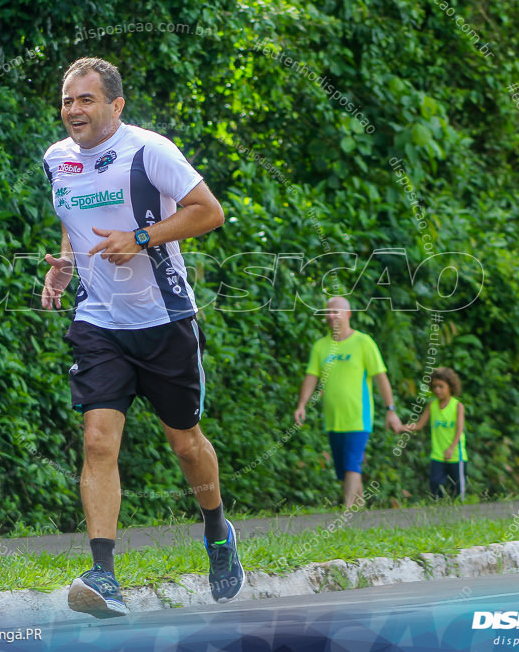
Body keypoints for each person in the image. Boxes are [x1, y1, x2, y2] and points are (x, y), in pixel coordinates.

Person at [39, 57, 243, 618]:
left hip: (165, 320)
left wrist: (143, 237)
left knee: (186, 444)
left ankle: (217, 530)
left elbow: (210, 212)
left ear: (115, 105)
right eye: (66, 100)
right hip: (99, 321)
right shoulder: (58, 159)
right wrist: (66, 262)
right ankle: (103, 576)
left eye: (85, 99)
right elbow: (73, 214)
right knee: (99, 441)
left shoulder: (150, 150)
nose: (73, 110)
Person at [293, 297, 402, 508]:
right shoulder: (321, 346)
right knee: (345, 469)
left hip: (358, 418)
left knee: (353, 464)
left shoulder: (363, 342)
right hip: (333, 420)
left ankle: (347, 513)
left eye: (336, 312)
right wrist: (301, 405)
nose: (331, 316)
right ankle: (359, 513)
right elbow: (311, 377)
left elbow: (381, 378)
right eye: (328, 312)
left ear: (348, 314)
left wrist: (391, 409)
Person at [398, 366, 468, 499]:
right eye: (434, 386)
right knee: (435, 488)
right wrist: (402, 427)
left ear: (450, 387)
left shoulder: (457, 406)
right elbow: (419, 425)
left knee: (457, 492)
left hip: (455, 456)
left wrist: (451, 448)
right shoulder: (432, 406)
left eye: (441, 386)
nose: (437, 390)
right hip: (437, 455)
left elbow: (459, 430)